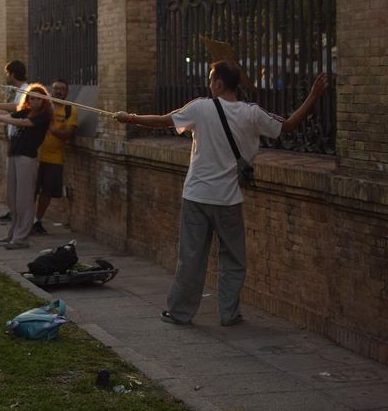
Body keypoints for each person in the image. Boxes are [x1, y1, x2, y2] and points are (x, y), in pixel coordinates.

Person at [114, 62, 329, 326]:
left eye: (210, 80)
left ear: (217, 83)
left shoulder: (201, 108)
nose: (209, 85)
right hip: (228, 200)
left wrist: (131, 117)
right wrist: (314, 95)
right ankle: (229, 314)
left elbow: (163, 121)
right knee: (233, 260)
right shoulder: (252, 114)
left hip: (196, 196)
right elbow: (289, 125)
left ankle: (180, 313)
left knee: (191, 258)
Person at [0, 83, 53, 249]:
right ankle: (13, 235)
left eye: (39, 99)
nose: (35, 101)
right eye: (32, 98)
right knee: (13, 199)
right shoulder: (26, 110)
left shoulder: (43, 115)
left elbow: (23, 122)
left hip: (27, 159)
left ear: (44, 101)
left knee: (24, 200)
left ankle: (21, 238)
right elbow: (14, 110)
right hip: (15, 156)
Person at [33, 79, 78, 235]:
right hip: (35, 155)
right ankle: (25, 220)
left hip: (55, 158)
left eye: (62, 89)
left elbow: (67, 134)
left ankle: (37, 221)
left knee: (47, 192)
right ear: (51, 91)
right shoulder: (43, 108)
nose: (58, 92)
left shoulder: (70, 110)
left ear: (66, 93)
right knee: (31, 190)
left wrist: (52, 129)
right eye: (56, 89)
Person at [0, 60, 30, 222]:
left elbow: (18, 108)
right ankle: (14, 212)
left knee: (21, 184)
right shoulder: (18, 90)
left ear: (13, 74)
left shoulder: (26, 90)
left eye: (8, 73)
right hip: (14, 140)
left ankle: (21, 215)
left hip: (21, 142)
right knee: (13, 183)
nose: (6, 77)